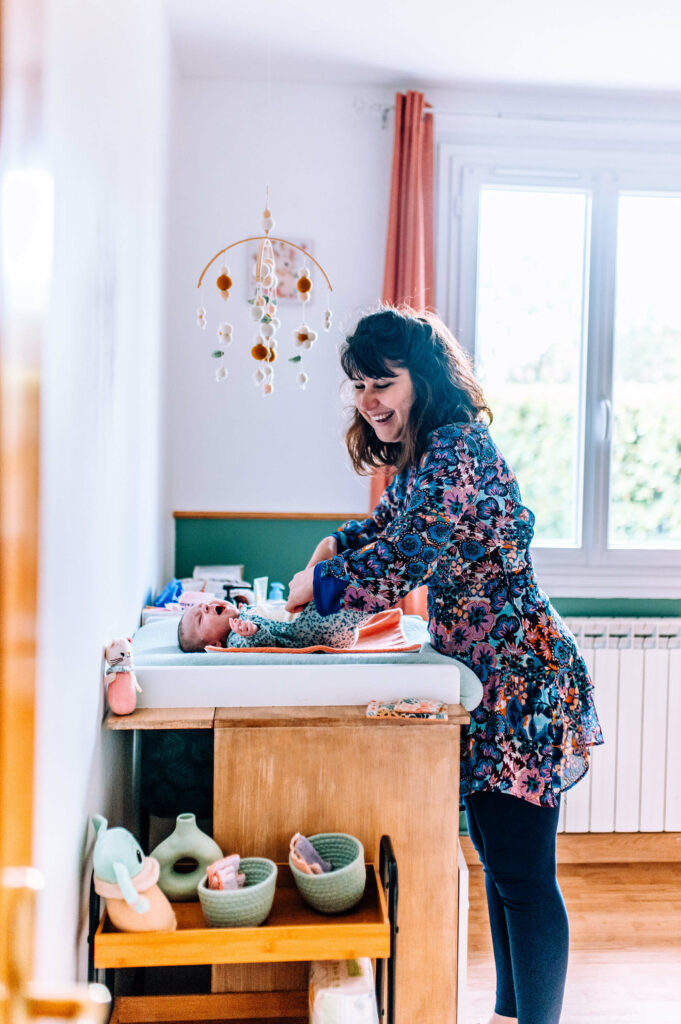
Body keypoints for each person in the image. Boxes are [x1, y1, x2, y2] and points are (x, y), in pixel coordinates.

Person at [286, 306, 603, 1024]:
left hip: (521, 676)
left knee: (522, 873)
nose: (368, 400)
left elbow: (404, 557)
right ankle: (505, 1014)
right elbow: (386, 528)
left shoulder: (457, 451)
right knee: (499, 861)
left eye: (382, 382)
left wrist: (319, 587)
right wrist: (337, 544)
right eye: (358, 384)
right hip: (491, 673)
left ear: (419, 380)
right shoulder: (429, 452)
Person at [177, 597, 368, 653]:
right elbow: (260, 646)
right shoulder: (236, 639)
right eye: (201, 618)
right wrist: (252, 634)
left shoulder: (243, 613)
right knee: (358, 598)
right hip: (317, 631)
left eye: (205, 604)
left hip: (315, 620)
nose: (208, 607)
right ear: (215, 644)